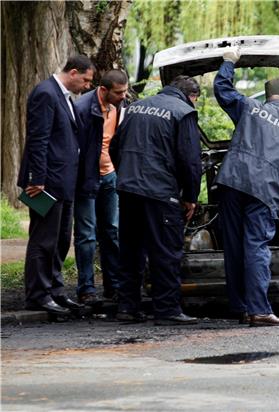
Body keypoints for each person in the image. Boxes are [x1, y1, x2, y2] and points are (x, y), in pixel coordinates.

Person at [213, 48, 279, 327]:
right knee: (256, 246)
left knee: (233, 245)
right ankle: (259, 310)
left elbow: (222, 90)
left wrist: (228, 63)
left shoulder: (251, 108)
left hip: (232, 182)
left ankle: (240, 306)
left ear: (269, 103)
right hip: (266, 191)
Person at [109, 75, 202, 325]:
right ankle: (167, 310)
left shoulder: (136, 106)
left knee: (130, 250)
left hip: (129, 190)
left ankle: (128, 307)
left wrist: (126, 173)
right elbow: (190, 160)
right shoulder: (183, 112)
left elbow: (114, 146)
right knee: (166, 251)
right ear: (191, 96)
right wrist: (190, 197)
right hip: (161, 193)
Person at [18, 55, 95, 315]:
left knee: (62, 239)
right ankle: (38, 294)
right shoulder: (46, 93)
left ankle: (55, 290)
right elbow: (38, 139)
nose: (86, 86)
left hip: (65, 182)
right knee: (44, 240)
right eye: (85, 80)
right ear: (73, 73)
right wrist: (37, 179)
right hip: (47, 182)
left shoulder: (63, 96)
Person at [74, 69, 129, 305]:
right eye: (119, 93)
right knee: (86, 234)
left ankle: (113, 285)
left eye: (125, 91)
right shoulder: (83, 108)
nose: (123, 96)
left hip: (110, 176)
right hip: (86, 177)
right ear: (104, 90)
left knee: (112, 231)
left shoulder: (119, 108)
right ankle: (86, 288)